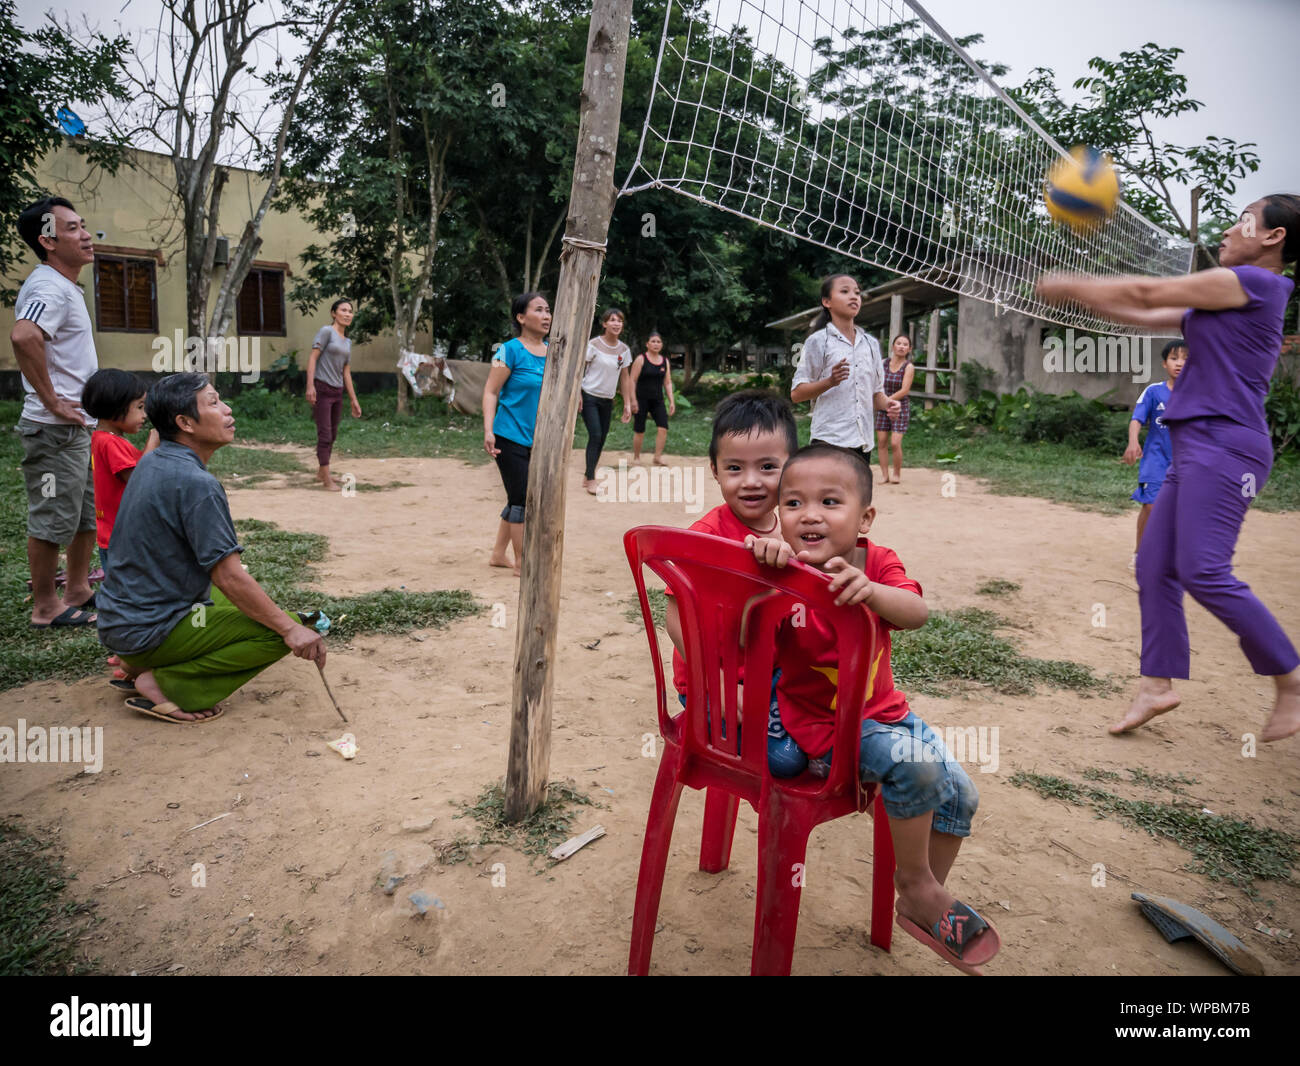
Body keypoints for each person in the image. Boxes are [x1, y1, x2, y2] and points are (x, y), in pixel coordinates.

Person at [1036, 194, 1300, 742]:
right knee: (1154, 564)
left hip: (1229, 446)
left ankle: (1291, 680)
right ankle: (1156, 685)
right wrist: (1070, 297)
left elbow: (1148, 290)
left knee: (1204, 570)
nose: (1229, 229)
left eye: (1243, 218)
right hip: (1195, 443)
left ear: (1273, 237)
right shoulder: (1221, 297)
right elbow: (1141, 312)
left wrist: (1072, 279)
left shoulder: (1256, 283)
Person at [745, 443, 998, 973]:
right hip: (822, 730)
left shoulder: (878, 561)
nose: (809, 514)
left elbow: (917, 612)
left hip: (885, 714)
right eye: (793, 504)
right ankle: (917, 883)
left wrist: (872, 591)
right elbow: (740, 635)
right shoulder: (780, 568)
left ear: (864, 518)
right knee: (917, 766)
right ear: (779, 516)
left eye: (830, 502)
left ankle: (919, 896)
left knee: (961, 795)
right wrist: (761, 579)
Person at [96, 374, 325, 723]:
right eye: (214, 402)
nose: (228, 410)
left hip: (120, 620)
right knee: (279, 631)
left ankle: (136, 662)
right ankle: (166, 684)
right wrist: (291, 630)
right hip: (147, 627)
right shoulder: (197, 484)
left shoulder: (152, 462)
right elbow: (229, 577)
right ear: (185, 423)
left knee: (247, 605)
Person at [663, 391, 799, 721]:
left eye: (768, 467)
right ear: (715, 470)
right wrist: (717, 682)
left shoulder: (793, 531)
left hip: (770, 675)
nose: (751, 482)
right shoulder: (706, 537)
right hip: (710, 681)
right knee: (782, 758)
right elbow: (675, 619)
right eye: (735, 468)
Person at [11, 196, 100, 628]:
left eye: (83, 225)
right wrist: (52, 401)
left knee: (82, 512)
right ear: (47, 240)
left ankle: (78, 589)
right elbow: (24, 336)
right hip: (52, 430)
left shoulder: (64, 285)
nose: (84, 235)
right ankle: (46, 605)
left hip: (74, 429)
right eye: (71, 228)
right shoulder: (47, 286)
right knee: (50, 516)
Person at [791, 274, 901, 455]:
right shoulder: (818, 341)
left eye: (857, 293)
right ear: (827, 302)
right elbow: (797, 394)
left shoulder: (871, 344)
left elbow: (875, 394)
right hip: (829, 441)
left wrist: (888, 404)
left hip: (863, 442)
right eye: (844, 291)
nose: (853, 296)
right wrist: (830, 381)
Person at [483, 292, 551, 576]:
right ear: (521, 318)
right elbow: (490, 391)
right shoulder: (507, 351)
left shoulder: (553, 351)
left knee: (516, 496)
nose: (546, 315)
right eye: (539, 310)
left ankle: (499, 554)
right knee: (523, 499)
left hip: (541, 440)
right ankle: (522, 562)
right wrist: (488, 429)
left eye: (548, 310)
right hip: (508, 436)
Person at [82, 369, 160, 582]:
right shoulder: (110, 443)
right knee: (127, 587)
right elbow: (138, 479)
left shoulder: (104, 438)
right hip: (123, 534)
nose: (144, 415)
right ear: (116, 406)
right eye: (140, 407)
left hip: (117, 531)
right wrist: (153, 443)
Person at [1122, 340, 1187, 568]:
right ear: (1164, 363)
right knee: (1150, 506)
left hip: (1186, 462)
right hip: (1155, 459)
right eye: (1174, 358)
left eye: (1186, 359)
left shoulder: (1198, 394)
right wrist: (1133, 442)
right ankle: (1140, 554)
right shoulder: (1154, 391)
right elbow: (1137, 419)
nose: (1180, 363)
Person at [305, 298, 361, 490]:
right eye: (343, 310)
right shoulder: (326, 332)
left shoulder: (347, 342)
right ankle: (327, 479)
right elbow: (313, 358)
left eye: (350, 311)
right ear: (333, 313)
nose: (347, 314)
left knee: (333, 433)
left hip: (337, 391)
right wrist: (310, 386)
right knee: (325, 434)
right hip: (322, 388)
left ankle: (322, 471)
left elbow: (346, 371)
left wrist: (353, 399)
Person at [580, 308, 635, 494]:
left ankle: (588, 475)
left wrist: (627, 403)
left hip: (607, 400)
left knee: (601, 438)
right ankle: (591, 478)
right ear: (604, 324)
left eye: (619, 320)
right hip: (589, 396)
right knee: (595, 434)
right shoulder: (593, 345)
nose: (616, 324)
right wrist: (577, 395)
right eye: (612, 320)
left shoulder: (624, 350)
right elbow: (580, 370)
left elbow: (625, 378)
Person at [875, 333, 916, 484]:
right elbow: (876, 384)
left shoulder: (908, 367)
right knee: (882, 441)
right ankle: (885, 475)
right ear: (893, 346)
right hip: (882, 406)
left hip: (900, 407)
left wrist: (886, 401)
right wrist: (882, 402)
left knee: (895, 442)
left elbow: (905, 390)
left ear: (909, 349)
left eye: (905, 344)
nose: (901, 346)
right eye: (898, 343)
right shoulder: (883, 363)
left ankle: (896, 474)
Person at [630, 331, 676, 466]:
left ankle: (657, 457)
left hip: (658, 400)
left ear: (661, 345)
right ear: (647, 344)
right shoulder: (641, 359)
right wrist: (633, 400)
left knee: (663, 427)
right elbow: (632, 380)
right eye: (653, 341)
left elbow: (667, 382)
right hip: (641, 399)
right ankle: (637, 457)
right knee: (640, 430)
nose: (656, 344)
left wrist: (671, 401)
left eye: (658, 342)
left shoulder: (665, 361)